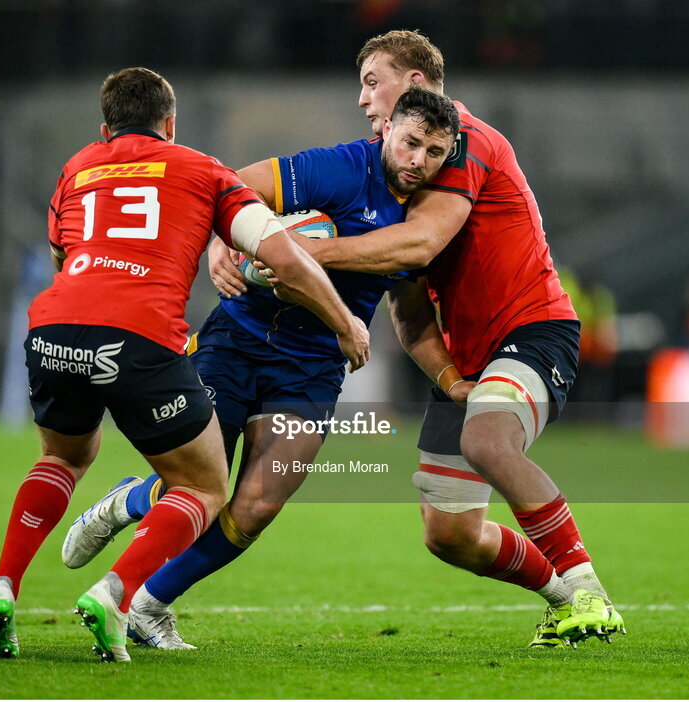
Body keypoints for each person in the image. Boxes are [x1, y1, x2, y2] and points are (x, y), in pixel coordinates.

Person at [215, 30, 623, 647]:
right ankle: (565, 600)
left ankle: (589, 590)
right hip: (466, 354)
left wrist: (299, 250)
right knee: (450, 533)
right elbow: (408, 312)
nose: (362, 98)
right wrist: (228, 238)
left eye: (372, 80)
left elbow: (419, 244)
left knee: (487, 441)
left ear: (414, 83)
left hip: (533, 329)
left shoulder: (467, 141)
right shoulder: (384, 173)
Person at [0, 67, 369, 663]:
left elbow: (62, 249)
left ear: (106, 127)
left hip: (55, 326)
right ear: (171, 122)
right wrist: (345, 323)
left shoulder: (80, 166)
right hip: (140, 335)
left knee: (61, 456)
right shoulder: (203, 171)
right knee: (203, 484)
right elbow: (284, 259)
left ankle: (1, 589)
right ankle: (116, 594)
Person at [60, 87, 460, 648]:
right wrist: (222, 244)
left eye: (435, 151)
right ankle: (125, 512)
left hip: (314, 366)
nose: (418, 160)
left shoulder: (428, 221)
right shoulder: (339, 167)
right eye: (411, 142)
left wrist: (450, 378)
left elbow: (413, 312)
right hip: (238, 339)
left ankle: (151, 604)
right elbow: (234, 185)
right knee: (205, 483)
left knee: (258, 503)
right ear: (387, 129)